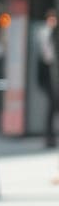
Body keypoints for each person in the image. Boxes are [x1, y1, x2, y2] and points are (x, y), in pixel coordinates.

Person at [36, 8, 59, 148]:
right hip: (48, 75)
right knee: (51, 107)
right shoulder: (44, 33)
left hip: (54, 74)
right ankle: (49, 137)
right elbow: (45, 56)